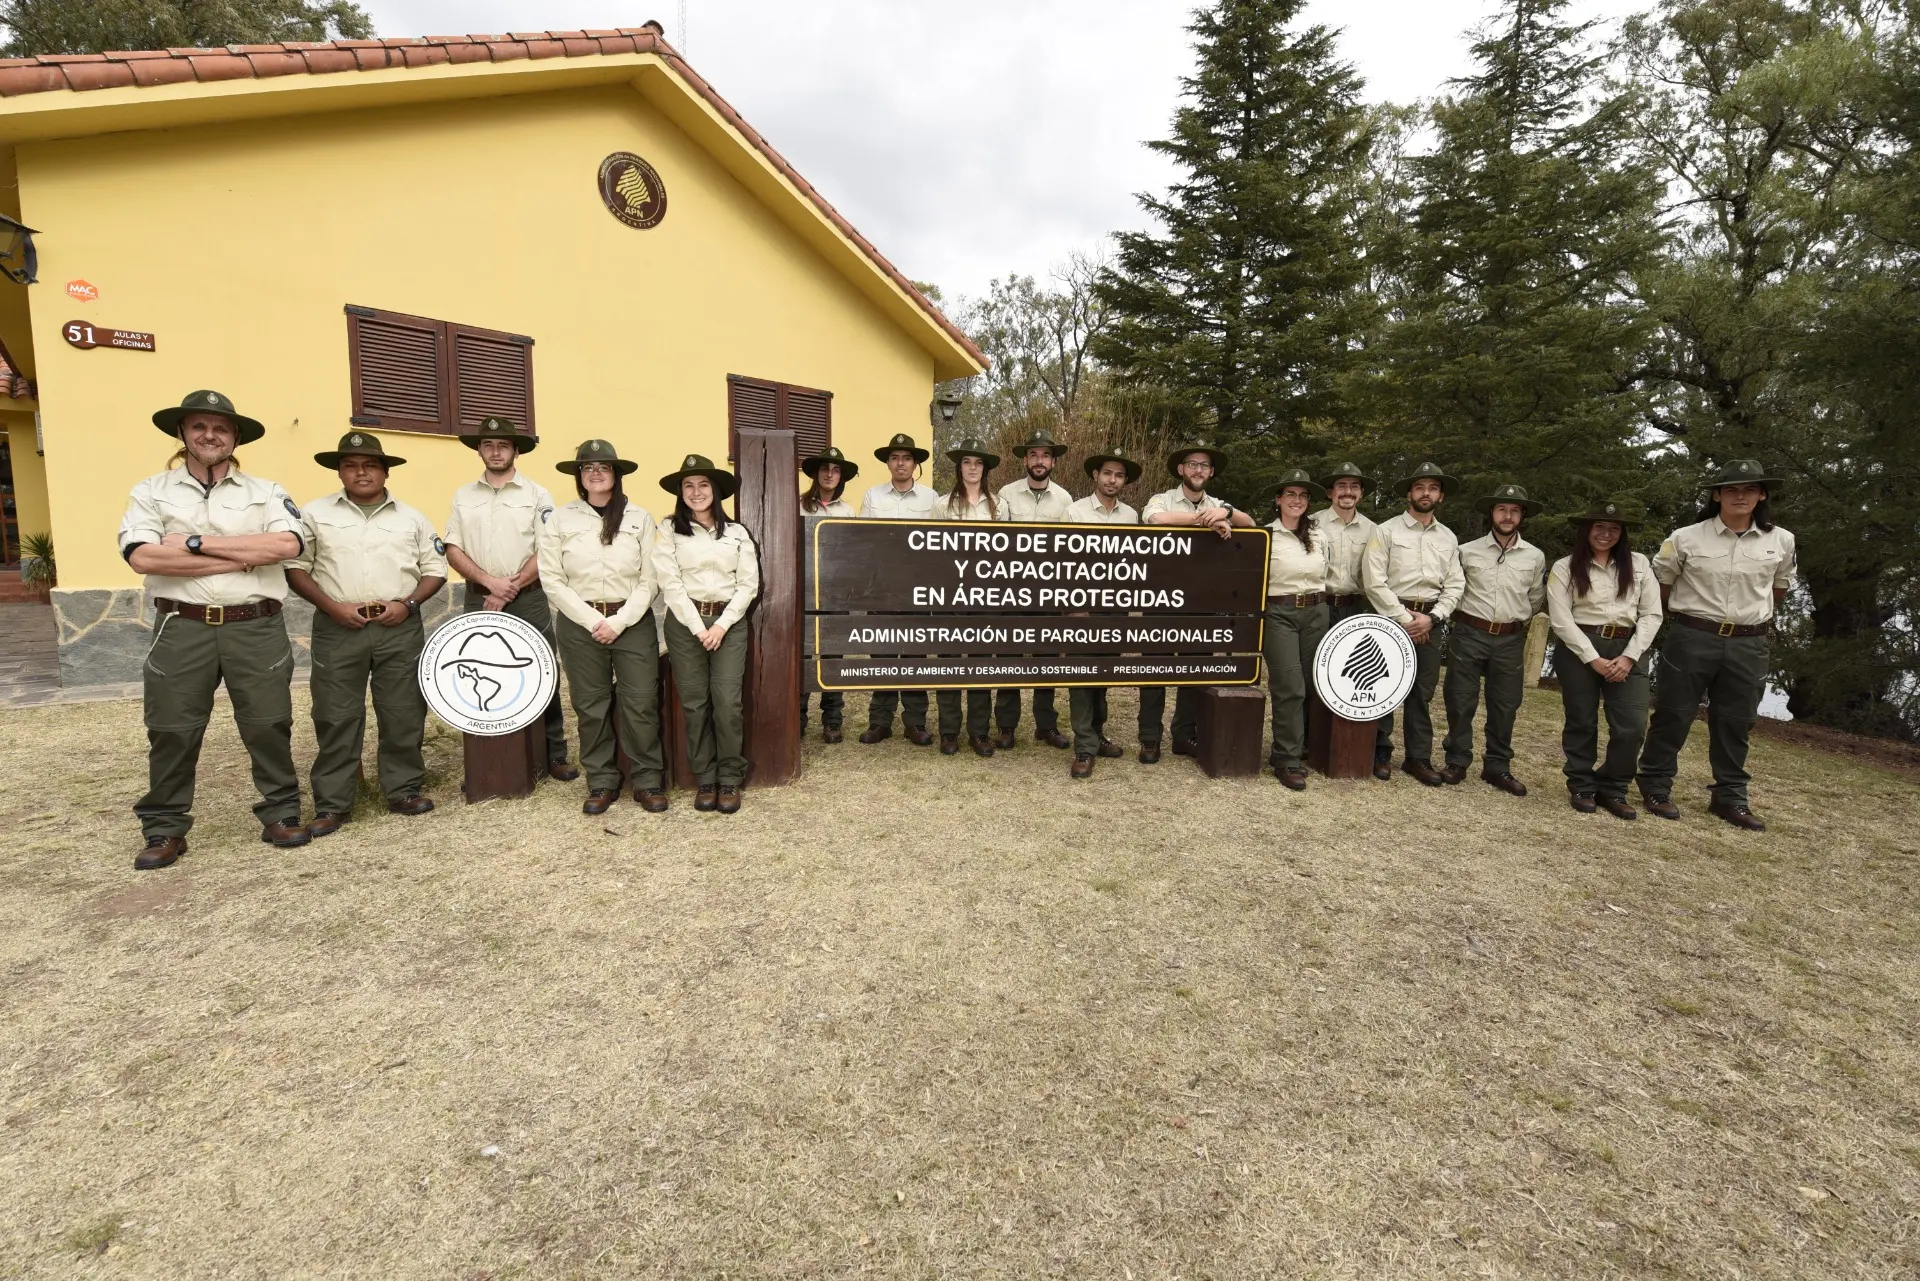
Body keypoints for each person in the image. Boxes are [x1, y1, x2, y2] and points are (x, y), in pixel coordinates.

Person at [117, 390, 309, 869]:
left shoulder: (265, 491)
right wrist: (240, 556)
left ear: (235, 437)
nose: (210, 435)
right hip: (182, 626)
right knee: (172, 729)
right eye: (199, 426)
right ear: (182, 433)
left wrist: (193, 544)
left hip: (255, 625)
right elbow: (143, 556)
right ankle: (164, 827)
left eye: (221, 428)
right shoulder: (151, 491)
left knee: (268, 724)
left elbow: (286, 546)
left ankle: (281, 813)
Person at [286, 431, 446, 838]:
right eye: (351, 466)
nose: (361, 472)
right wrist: (332, 607)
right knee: (335, 714)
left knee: (403, 711)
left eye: (370, 465)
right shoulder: (314, 514)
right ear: (339, 471)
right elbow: (296, 568)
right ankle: (333, 802)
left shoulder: (412, 518)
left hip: (398, 626)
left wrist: (408, 604)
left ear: (385, 471)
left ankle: (403, 788)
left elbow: (435, 569)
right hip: (339, 626)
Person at [1636, 460, 1796, 830]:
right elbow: (1661, 587)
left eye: (1749, 489)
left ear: (1761, 495)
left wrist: (1746, 620)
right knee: (1673, 714)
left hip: (1748, 643)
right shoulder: (1685, 538)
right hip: (1692, 637)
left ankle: (1730, 797)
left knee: (1737, 721)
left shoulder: (1781, 540)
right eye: (1731, 490)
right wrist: (1691, 623)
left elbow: (1779, 588)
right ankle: (1655, 785)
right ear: (1717, 495)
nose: (1741, 496)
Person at [443, 416, 576, 781]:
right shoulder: (463, 496)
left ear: (516, 450)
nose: (496, 451)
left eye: (503, 445)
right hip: (480, 598)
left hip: (527, 598)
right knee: (478, 672)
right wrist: (490, 584)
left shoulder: (537, 495)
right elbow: (453, 548)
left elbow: (547, 550)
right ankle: (489, 758)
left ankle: (554, 753)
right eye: (488, 445)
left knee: (542, 671)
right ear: (479, 450)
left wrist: (508, 589)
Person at [540, 440, 665, 816]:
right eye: (588, 467)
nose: (595, 473)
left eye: (604, 467)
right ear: (579, 476)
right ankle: (602, 781)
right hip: (581, 625)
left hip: (632, 622)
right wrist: (594, 621)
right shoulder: (560, 519)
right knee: (590, 706)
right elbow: (552, 579)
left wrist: (619, 620)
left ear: (616, 474)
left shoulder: (639, 517)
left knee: (640, 703)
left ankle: (647, 780)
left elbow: (650, 578)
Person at [656, 454, 760, 814]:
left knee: (728, 702)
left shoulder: (737, 533)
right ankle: (706, 778)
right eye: (688, 485)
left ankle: (729, 776)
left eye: (703, 485)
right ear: (680, 492)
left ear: (715, 491)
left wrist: (720, 625)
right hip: (686, 625)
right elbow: (669, 582)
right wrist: (699, 627)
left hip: (728, 623)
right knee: (694, 703)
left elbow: (748, 584)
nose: (696, 491)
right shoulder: (668, 530)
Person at [1140, 441, 1255, 761]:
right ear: (1181, 469)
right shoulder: (1162, 498)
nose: (1198, 470)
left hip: (1202, 603)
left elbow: (1250, 524)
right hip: (1161, 601)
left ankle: (1183, 735)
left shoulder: (1218, 504)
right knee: (1153, 671)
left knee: (1194, 671)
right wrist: (1203, 520)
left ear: (1211, 472)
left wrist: (1226, 513)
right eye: (1192, 464)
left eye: (1204, 465)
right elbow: (1156, 520)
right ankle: (1149, 739)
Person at [1549, 501, 1662, 819]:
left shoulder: (1639, 564)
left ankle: (1613, 787)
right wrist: (1592, 658)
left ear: (1622, 533)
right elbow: (1561, 620)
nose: (1606, 533)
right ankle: (1582, 785)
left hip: (1628, 648)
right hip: (1580, 648)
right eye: (1599, 526)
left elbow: (1652, 614)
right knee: (1581, 720)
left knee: (1632, 726)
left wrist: (1629, 656)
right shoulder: (1565, 567)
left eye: (1614, 528)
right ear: (1586, 530)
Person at [1361, 461, 1466, 786]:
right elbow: (1374, 581)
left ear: (1441, 496)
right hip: (1393, 618)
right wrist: (1407, 619)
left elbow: (1455, 585)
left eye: (1432, 488)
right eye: (1419, 487)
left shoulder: (1448, 537)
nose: (1426, 493)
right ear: (1409, 493)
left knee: (1422, 691)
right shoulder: (1386, 531)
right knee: (1384, 685)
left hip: (1431, 622)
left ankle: (1417, 758)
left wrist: (1432, 618)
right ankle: (1379, 751)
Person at [1441, 483, 1547, 796]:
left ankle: (1497, 766)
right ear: (1492, 513)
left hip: (1510, 638)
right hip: (1469, 633)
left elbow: (1535, 598)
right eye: (1502, 509)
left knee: (1506, 703)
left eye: (1514, 510)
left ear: (1522, 515)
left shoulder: (1534, 556)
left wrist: (1512, 621)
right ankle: (1457, 760)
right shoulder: (1466, 551)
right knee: (1460, 699)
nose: (1507, 516)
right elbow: (1453, 590)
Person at [993, 429, 1075, 750]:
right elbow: (996, 544)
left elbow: (1069, 549)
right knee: (1009, 658)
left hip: (1049, 592)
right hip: (1012, 591)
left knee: (1047, 660)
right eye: (1033, 455)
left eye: (1045, 455)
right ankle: (1006, 726)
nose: (1039, 461)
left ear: (1053, 461)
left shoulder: (1065, 499)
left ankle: (1046, 725)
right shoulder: (1006, 494)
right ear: (1025, 460)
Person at [1065, 447, 1144, 779]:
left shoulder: (1131, 515)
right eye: (1107, 473)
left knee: (1103, 673)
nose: (1113, 480)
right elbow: (1063, 562)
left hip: (1115, 607)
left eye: (1119, 475)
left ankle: (1097, 735)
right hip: (1082, 604)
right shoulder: (1074, 512)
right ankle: (1084, 746)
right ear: (1095, 475)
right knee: (1081, 674)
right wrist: (1074, 605)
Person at [857, 432, 938, 746]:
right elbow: (864, 542)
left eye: (906, 458)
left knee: (915, 657)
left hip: (919, 590)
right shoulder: (873, 496)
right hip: (882, 589)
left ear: (915, 464)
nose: (900, 463)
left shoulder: (932, 499)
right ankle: (880, 722)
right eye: (895, 458)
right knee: (883, 657)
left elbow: (940, 544)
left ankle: (915, 722)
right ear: (888, 463)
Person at [1312, 461, 1389, 779]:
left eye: (1354, 487)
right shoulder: (1312, 523)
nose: (1347, 492)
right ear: (1330, 492)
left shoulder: (1374, 530)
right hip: (1319, 606)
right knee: (1315, 675)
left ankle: (1370, 747)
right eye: (1341, 486)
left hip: (1357, 608)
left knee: (1361, 679)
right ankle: (1311, 742)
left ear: (1361, 493)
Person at [935, 438, 1005, 756]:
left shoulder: (999, 506)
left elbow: (1008, 552)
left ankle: (979, 731)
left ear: (985, 468)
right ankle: (949, 730)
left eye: (978, 463)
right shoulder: (942, 506)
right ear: (959, 467)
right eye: (967, 462)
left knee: (981, 664)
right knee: (949, 663)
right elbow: (928, 551)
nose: (973, 468)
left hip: (987, 595)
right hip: (949, 594)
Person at [1262, 469, 1332, 791]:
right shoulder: (1267, 535)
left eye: (1303, 495)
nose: (1297, 500)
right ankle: (1286, 760)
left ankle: (1302, 747)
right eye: (1290, 494)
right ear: (1278, 499)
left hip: (1316, 612)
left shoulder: (1319, 536)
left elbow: (1326, 574)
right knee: (1289, 685)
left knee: (1310, 683)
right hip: (1280, 614)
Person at [800, 445, 857, 742]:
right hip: (804, 594)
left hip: (835, 595)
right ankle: (798, 717)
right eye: (825, 468)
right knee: (803, 656)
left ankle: (832, 720)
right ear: (816, 473)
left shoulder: (847, 511)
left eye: (836, 470)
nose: (830, 474)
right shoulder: (798, 506)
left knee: (833, 658)